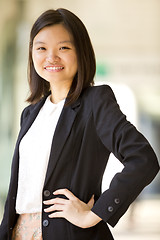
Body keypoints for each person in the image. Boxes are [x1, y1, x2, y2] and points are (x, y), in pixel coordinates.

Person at [0, 8, 159, 240]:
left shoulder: (95, 102)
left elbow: (142, 159)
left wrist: (94, 214)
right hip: (18, 233)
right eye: (41, 48)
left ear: (81, 52)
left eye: (63, 48)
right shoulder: (30, 114)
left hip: (68, 233)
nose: (51, 57)